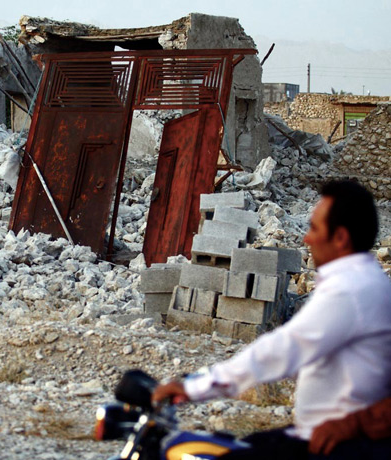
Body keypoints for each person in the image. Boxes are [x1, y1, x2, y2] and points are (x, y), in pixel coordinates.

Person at [152, 180, 391, 460]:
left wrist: (194, 386)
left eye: (314, 228)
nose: (306, 239)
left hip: (337, 446)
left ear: (340, 238)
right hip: (324, 437)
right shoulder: (367, 282)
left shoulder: (350, 291)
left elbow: (280, 350)